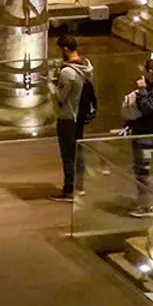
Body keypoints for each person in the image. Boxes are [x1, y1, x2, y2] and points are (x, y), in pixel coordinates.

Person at [119, 56, 153, 217]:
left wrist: (141, 90)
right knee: (139, 169)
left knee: (143, 171)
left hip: (148, 136)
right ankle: (142, 201)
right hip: (141, 133)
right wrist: (129, 125)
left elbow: (147, 108)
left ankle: (146, 206)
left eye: (145, 70)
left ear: (151, 72)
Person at [48, 34, 95, 202]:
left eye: (60, 49)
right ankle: (79, 186)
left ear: (65, 49)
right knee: (78, 152)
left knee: (67, 154)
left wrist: (50, 84)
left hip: (68, 116)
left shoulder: (68, 73)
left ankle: (69, 190)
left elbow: (61, 96)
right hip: (80, 115)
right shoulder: (87, 66)